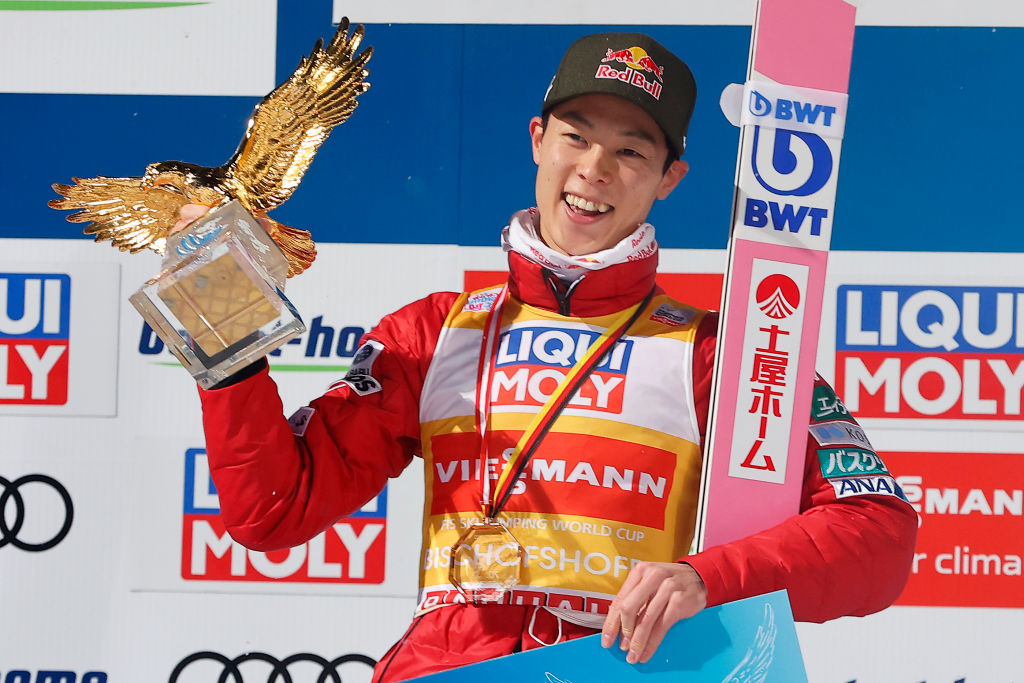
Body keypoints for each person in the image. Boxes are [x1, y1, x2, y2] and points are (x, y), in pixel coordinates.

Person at [191, 31, 917, 683]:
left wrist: (706, 577)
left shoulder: (723, 354)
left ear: (670, 178)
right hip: (448, 667)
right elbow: (272, 509)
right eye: (576, 136)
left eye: (632, 150)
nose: (595, 168)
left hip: (627, 669)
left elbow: (878, 533)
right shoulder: (432, 332)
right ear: (538, 138)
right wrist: (220, 320)